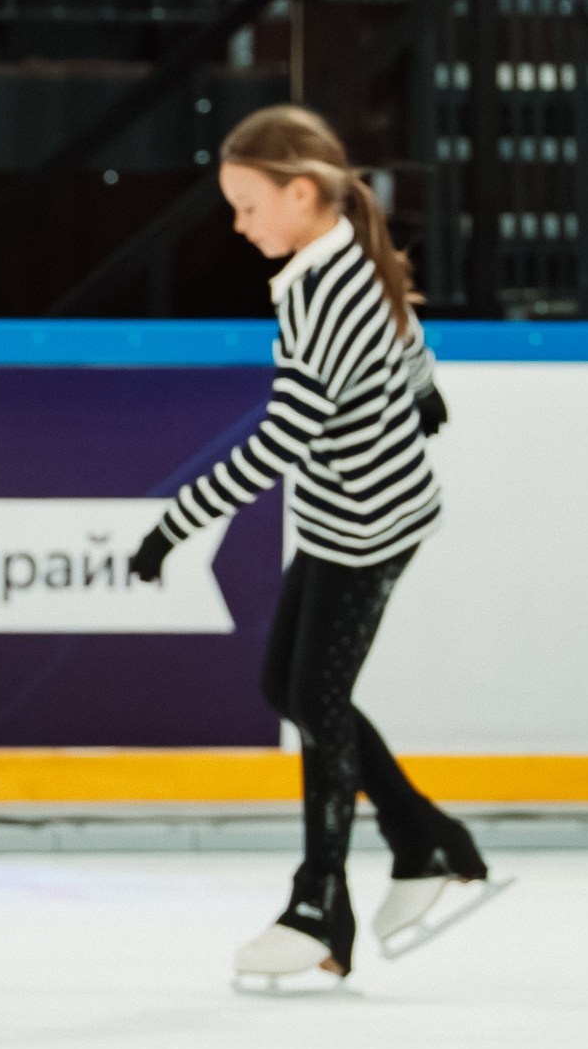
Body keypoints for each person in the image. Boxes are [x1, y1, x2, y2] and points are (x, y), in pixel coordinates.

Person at [128, 104, 496, 994]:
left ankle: (320, 906)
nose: (239, 225)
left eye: (248, 206)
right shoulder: (336, 259)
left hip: (369, 524)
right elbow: (404, 323)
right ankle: (425, 837)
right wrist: (422, 387)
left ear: (300, 193)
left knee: (317, 700)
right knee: (288, 688)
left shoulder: (324, 287)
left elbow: (281, 440)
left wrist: (175, 523)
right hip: (346, 514)